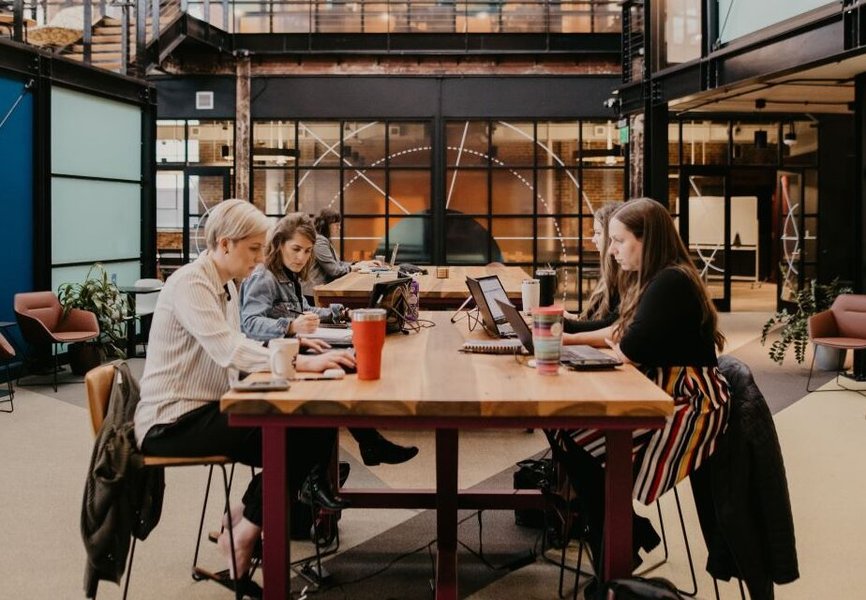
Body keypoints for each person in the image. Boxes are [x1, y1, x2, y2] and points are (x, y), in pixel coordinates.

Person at [133, 199, 356, 582]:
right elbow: (229, 350)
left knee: (314, 426)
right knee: (298, 433)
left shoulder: (226, 286)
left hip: (209, 407)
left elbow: (238, 346)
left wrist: (291, 361)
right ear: (224, 244)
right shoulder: (191, 282)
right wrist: (301, 363)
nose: (259, 257)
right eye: (253, 248)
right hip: (171, 422)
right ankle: (244, 534)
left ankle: (239, 519)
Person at [558, 198, 731, 588]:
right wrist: (580, 339)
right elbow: (623, 336)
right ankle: (620, 538)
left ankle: (616, 548)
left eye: (619, 241)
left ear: (647, 240)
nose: (612, 250)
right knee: (569, 431)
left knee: (578, 436)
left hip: (689, 404)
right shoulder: (655, 279)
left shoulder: (671, 282)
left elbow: (630, 347)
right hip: (664, 390)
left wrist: (582, 342)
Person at [240, 212, 419, 466]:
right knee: (342, 366)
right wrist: (290, 325)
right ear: (279, 244)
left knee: (345, 361)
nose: (301, 257)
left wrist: (341, 312)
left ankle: (353, 454)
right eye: (296, 249)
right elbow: (248, 324)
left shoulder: (289, 276)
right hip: (272, 360)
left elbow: (304, 310)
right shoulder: (264, 277)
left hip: (294, 349)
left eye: (307, 251)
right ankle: (358, 451)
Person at [562, 201, 630, 347]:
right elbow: (598, 320)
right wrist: (571, 318)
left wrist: (562, 324)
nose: (593, 239)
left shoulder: (628, 275)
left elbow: (612, 324)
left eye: (598, 233)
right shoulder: (612, 273)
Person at [301, 208, 381, 301]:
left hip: (321, 291)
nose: (339, 228)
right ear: (325, 225)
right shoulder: (319, 241)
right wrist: (354, 268)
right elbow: (335, 271)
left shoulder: (324, 240)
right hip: (313, 294)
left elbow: (338, 264)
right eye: (336, 225)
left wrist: (359, 264)